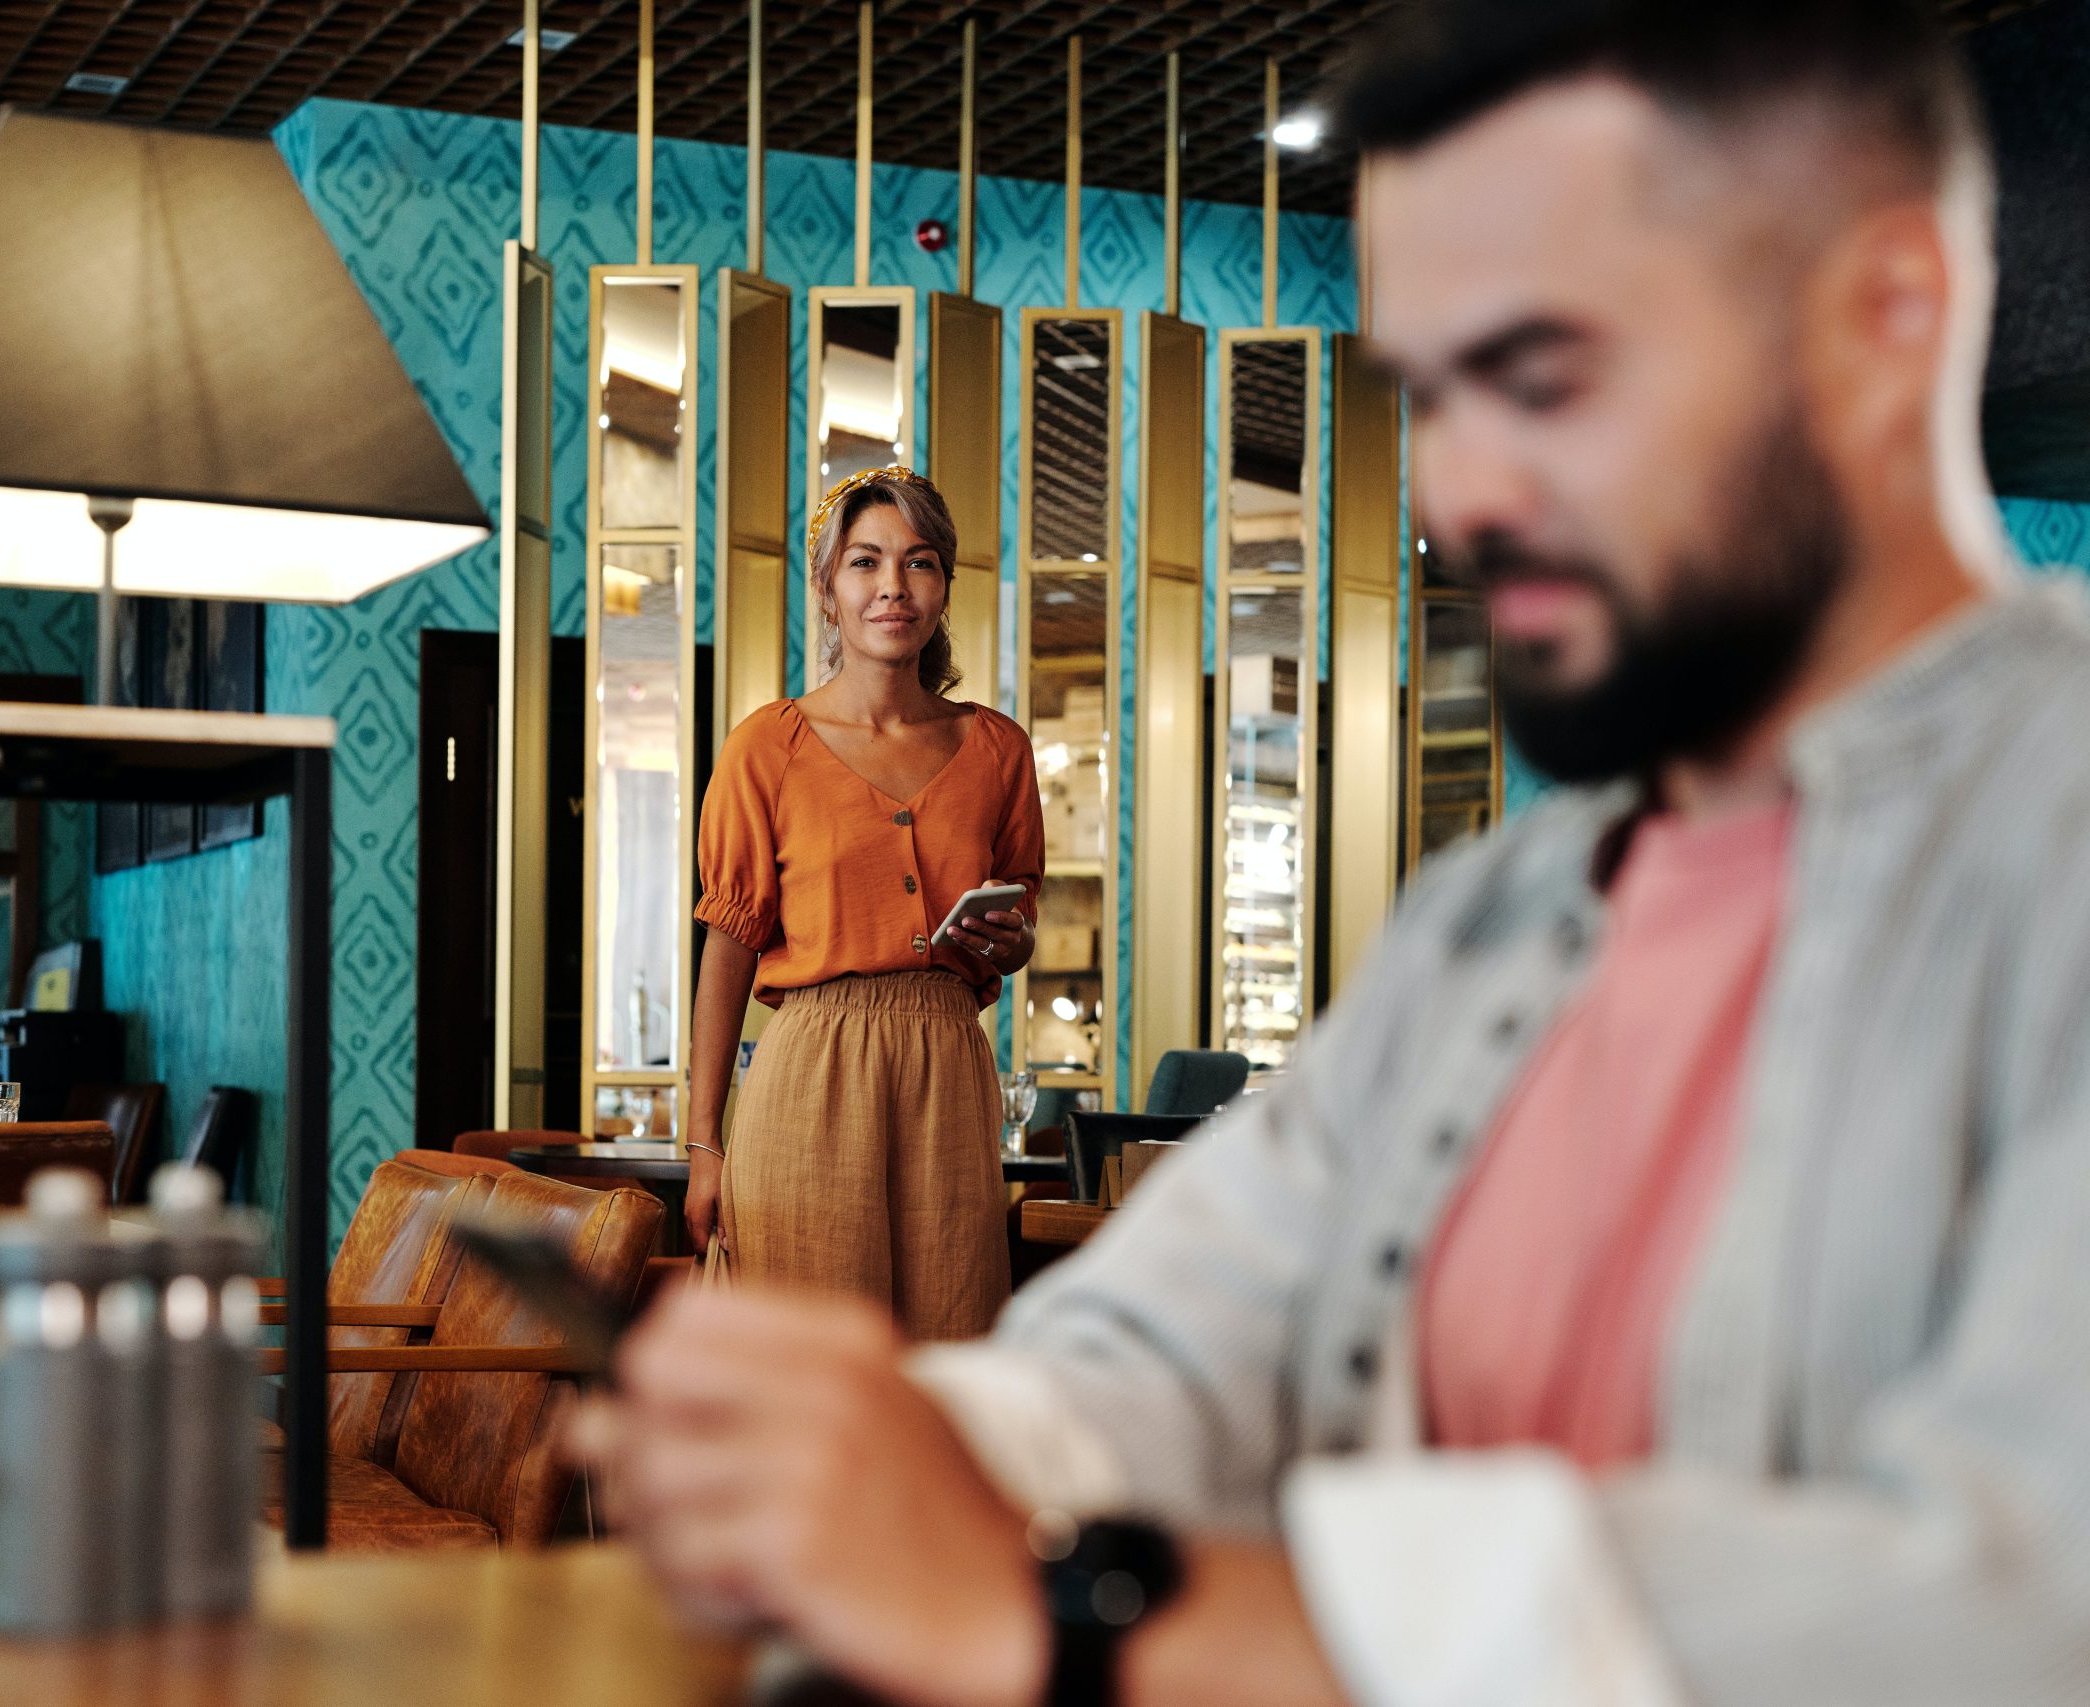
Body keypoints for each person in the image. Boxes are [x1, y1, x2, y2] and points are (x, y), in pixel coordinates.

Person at [576, 3, 2090, 1703]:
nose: (1461, 481)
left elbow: (2024, 1585)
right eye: (1430, 392)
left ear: (1886, 316)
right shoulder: (1499, 916)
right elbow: (1178, 1330)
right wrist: (911, 1450)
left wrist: (1094, 1614)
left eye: (1541, 372)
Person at [683, 465, 1043, 1341]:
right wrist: (702, 1144)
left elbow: (1018, 930)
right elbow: (728, 949)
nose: (892, 586)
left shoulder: (998, 749)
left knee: (948, 1357)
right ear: (827, 588)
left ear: (945, 586)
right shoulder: (765, 747)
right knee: (806, 1363)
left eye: (918, 562)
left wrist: (1006, 940)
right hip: (812, 1069)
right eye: (864, 562)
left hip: (950, 1077)